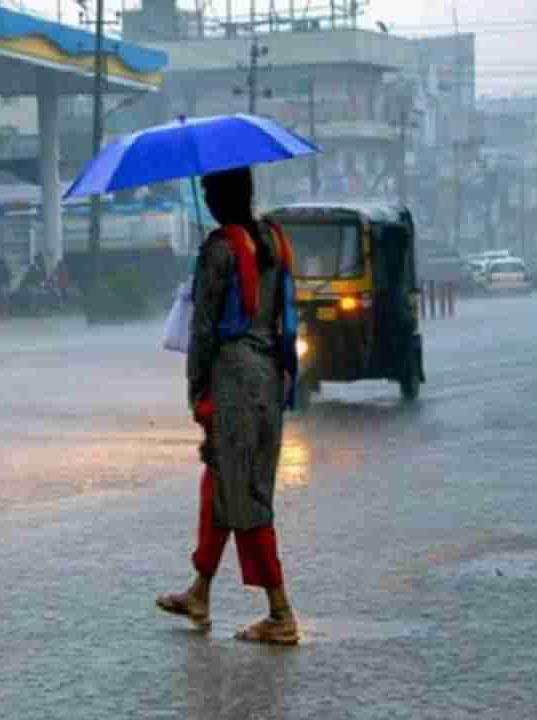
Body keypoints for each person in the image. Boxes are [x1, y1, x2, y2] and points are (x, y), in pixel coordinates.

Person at [156, 166, 300, 646]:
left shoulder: (219, 250)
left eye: (207, 189)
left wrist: (197, 389)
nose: (206, 196)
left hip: (233, 381)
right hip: (269, 376)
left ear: (220, 195)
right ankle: (200, 590)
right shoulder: (275, 241)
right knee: (221, 482)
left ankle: (280, 612)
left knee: (245, 496)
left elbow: (202, 329)